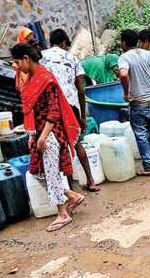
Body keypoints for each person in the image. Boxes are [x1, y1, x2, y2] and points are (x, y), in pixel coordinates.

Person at [11, 42, 86, 232]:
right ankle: (72, 196)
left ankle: (62, 214)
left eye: (18, 62)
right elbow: (32, 111)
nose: (17, 67)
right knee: (36, 173)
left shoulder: (46, 79)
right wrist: (32, 135)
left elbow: (54, 112)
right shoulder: (31, 79)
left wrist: (43, 136)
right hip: (40, 133)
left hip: (50, 134)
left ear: (26, 59)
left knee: (51, 174)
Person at [41, 29, 99, 192]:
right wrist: (81, 116)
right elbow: (80, 89)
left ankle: (71, 187)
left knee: (60, 145)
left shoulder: (42, 57)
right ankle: (91, 180)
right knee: (77, 142)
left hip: (51, 106)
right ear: (64, 43)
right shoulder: (72, 58)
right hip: (71, 105)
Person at [118, 29, 150, 176]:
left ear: (123, 42)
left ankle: (148, 167)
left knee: (142, 136)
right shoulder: (149, 54)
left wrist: (126, 92)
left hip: (138, 103)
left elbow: (123, 74)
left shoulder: (124, 57)